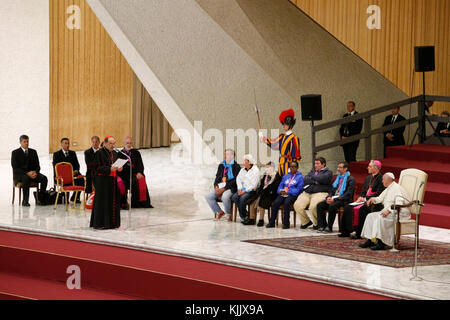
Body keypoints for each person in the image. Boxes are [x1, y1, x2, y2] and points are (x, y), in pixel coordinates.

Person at [359, 173, 411, 250]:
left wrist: (389, 211)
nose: (382, 181)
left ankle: (381, 243)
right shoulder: (389, 188)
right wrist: (372, 199)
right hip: (391, 211)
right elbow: (380, 198)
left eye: (383, 179)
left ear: (388, 179)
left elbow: (399, 203)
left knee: (381, 217)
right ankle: (371, 240)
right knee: (370, 216)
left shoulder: (396, 188)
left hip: (399, 213)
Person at [339, 160, 385, 238]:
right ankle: (346, 231)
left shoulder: (381, 178)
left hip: (373, 202)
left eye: (370, 166)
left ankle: (359, 232)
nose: (367, 168)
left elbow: (379, 193)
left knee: (361, 210)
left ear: (376, 168)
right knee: (348, 207)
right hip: (364, 200)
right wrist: (361, 197)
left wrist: (365, 198)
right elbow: (364, 191)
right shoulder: (368, 178)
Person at [90, 136, 123, 230]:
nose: (113, 146)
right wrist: (109, 169)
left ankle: (113, 223)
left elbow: (116, 165)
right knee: (103, 202)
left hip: (112, 181)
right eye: (110, 143)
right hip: (102, 181)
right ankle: (101, 223)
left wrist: (120, 168)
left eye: (114, 143)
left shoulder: (115, 153)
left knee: (113, 201)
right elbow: (96, 168)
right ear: (105, 143)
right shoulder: (99, 153)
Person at [260, 109, 301, 177]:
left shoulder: (294, 138)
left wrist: (291, 167)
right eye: (283, 124)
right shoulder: (282, 137)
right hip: (281, 163)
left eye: (285, 124)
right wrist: (263, 138)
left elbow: (294, 155)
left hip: (288, 164)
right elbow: (273, 143)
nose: (283, 126)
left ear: (289, 125)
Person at [294, 157, 333, 230]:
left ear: (323, 164)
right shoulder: (312, 171)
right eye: (315, 163)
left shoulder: (328, 172)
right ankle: (306, 222)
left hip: (320, 192)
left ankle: (317, 223)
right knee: (297, 205)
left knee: (313, 207)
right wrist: (315, 180)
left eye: (317, 163)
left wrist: (312, 177)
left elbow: (321, 179)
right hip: (307, 192)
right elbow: (305, 179)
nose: (315, 165)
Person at [316, 161, 355, 233]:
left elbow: (348, 194)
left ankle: (329, 227)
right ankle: (322, 226)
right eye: (338, 167)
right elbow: (331, 189)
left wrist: (335, 199)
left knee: (332, 206)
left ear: (345, 169)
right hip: (335, 198)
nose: (338, 169)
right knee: (320, 205)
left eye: (340, 167)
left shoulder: (350, 179)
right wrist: (329, 196)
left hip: (344, 200)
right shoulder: (338, 178)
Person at [11, 135, 48, 207]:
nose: (26, 143)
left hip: (33, 173)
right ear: (20, 142)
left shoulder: (33, 152)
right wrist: (27, 173)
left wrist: (35, 172)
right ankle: (25, 201)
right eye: (24, 142)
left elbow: (38, 165)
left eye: (27, 141)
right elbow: (15, 167)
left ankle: (40, 199)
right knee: (26, 178)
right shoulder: (15, 153)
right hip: (21, 175)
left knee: (44, 178)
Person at [205, 149, 241, 221]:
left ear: (232, 156)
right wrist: (216, 186)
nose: (225, 156)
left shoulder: (236, 166)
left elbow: (235, 181)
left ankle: (228, 214)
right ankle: (219, 212)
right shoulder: (221, 165)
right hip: (220, 186)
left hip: (231, 188)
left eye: (227, 154)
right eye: (225, 154)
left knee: (225, 196)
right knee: (208, 196)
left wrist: (224, 188)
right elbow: (217, 177)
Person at [118, 136, 153, 209]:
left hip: (134, 174)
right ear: (124, 143)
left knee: (140, 179)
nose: (129, 145)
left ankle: (139, 203)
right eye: (127, 143)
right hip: (123, 175)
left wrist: (139, 172)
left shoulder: (136, 152)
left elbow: (140, 164)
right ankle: (123, 203)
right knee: (122, 183)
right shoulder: (120, 154)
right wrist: (119, 169)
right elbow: (118, 166)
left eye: (130, 143)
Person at [266, 161, 304, 229]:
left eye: (294, 167)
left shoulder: (300, 177)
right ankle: (271, 222)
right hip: (284, 193)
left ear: (297, 168)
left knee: (287, 203)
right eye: (291, 167)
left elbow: (299, 190)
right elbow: (279, 187)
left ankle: (286, 223)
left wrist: (288, 192)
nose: (292, 168)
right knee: (276, 203)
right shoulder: (286, 176)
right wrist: (282, 192)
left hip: (293, 195)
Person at [247, 162, 282, 227]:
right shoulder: (265, 175)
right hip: (263, 193)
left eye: (268, 167)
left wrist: (265, 190)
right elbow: (261, 186)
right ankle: (252, 219)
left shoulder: (277, 176)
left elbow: (274, 188)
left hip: (271, 195)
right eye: (266, 167)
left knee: (261, 202)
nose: (267, 169)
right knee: (252, 201)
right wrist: (260, 191)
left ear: (273, 168)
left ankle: (261, 220)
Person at [232, 154, 260, 224]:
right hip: (243, 189)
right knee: (234, 197)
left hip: (251, 190)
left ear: (249, 162)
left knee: (242, 198)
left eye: (245, 161)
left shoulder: (255, 171)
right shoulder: (242, 170)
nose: (243, 163)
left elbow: (254, 185)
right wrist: (239, 189)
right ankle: (245, 214)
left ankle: (244, 217)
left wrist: (244, 191)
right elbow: (238, 179)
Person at [53, 138, 83, 203]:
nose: (67, 145)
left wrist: (76, 170)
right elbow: (56, 168)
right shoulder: (56, 154)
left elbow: (77, 164)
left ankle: (75, 197)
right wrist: (68, 174)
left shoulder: (73, 153)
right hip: (62, 175)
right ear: (61, 144)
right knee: (65, 180)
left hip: (73, 174)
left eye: (68, 143)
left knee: (81, 180)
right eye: (65, 143)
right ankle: (65, 198)